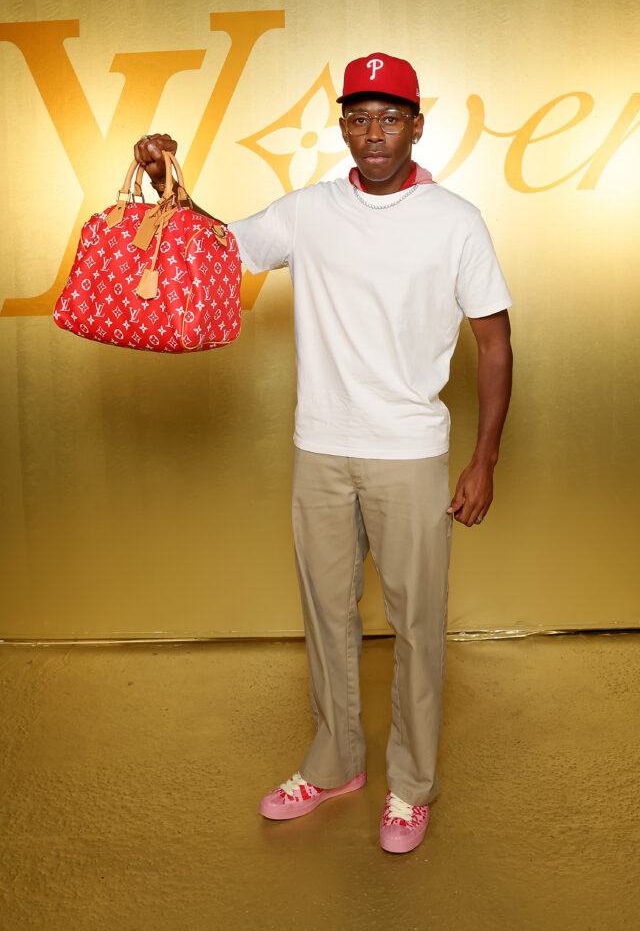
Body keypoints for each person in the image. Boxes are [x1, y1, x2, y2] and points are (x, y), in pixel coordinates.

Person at [134, 51, 514, 855]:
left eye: (389, 118)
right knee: (327, 617)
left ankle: (410, 787)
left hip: (409, 452)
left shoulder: (455, 220)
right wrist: (168, 181)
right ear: (342, 127)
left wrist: (483, 460)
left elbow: (493, 342)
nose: (373, 134)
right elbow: (215, 247)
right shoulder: (308, 211)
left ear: (416, 125)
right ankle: (336, 763)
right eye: (358, 118)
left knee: (417, 626)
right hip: (320, 449)